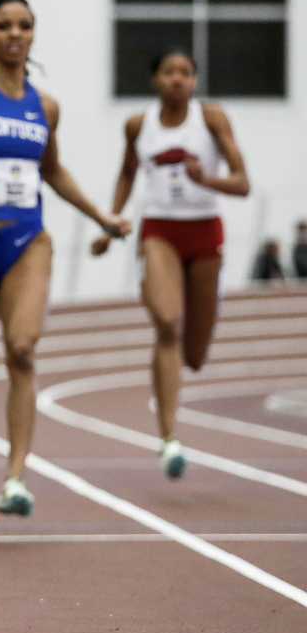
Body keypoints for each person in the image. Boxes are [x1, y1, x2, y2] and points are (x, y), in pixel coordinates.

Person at [0, 0, 129, 516]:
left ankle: (15, 478)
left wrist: (103, 217)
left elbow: (53, 171)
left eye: (24, 26)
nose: (15, 34)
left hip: (26, 241)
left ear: (33, 35)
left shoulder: (46, 107)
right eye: (4, 25)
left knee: (22, 348)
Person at [91, 47, 249, 479]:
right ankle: (168, 439)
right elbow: (127, 172)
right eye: (169, 72)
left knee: (194, 355)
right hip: (159, 230)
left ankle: (186, 370)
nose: (178, 79)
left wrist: (206, 179)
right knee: (165, 322)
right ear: (155, 80)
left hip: (204, 232)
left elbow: (242, 182)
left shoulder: (211, 119)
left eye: (186, 72)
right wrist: (111, 223)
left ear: (194, 81)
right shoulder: (139, 125)